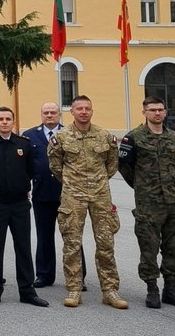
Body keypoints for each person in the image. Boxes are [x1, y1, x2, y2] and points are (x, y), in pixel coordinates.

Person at [47, 95, 128, 309]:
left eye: (87, 108)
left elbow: (112, 164)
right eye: (79, 108)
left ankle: (110, 290)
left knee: (106, 244)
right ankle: (74, 289)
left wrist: (96, 182)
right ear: (72, 112)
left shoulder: (105, 137)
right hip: (72, 197)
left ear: (92, 111)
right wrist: (74, 183)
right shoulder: (61, 137)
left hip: (101, 196)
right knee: (72, 244)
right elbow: (55, 166)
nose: (84, 112)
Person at [119, 96, 175, 309]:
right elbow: (124, 166)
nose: (157, 113)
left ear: (165, 112)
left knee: (172, 247)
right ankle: (152, 288)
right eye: (152, 110)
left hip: (174, 202)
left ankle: (171, 289)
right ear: (144, 113)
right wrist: (142, 186)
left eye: (160, 110)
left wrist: (169, 186)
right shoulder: (133, 138)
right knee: (149, 248)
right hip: (148, 204)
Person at [0, 107, 48, 307]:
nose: (4, 122)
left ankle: (27, 291)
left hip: (19, 204)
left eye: (8, 119)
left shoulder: (24, 144)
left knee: (23, 247)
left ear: (13, 122)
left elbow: (31, 170)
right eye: (0, 119)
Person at [23, 102, 85, 289]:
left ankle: (77, 276)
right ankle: (44, 275)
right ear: (41, 115)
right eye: (46, 113)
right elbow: (25, 165)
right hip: (41, 194)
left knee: (72, 236)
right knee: (44, 236)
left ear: (60, 115)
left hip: (68, 193)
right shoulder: (29, 136)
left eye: (53, 112)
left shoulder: (70, 134)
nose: (49, 115)